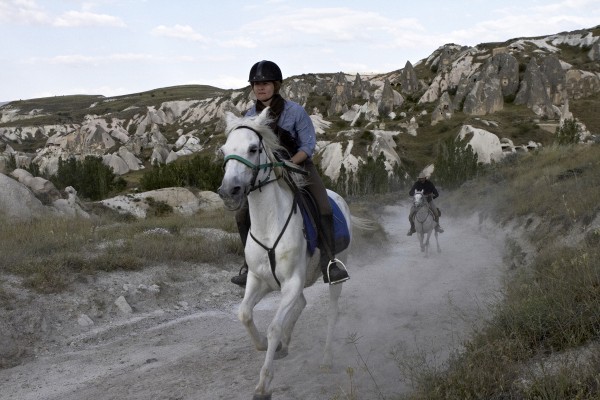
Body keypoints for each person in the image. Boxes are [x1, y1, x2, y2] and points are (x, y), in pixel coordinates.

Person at [230, 60, 350, 287]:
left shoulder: (295, 111)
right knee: (241, 215)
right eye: (255, 83)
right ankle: (249, 266)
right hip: (265, 174)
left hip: (300, 168)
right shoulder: (249, 116)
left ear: (276, 85)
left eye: (265, 83)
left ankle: (329, 261)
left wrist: (288, 165)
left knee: (323, 207)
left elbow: (308, 146)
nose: (260, 87)